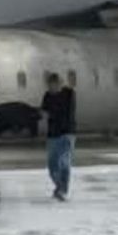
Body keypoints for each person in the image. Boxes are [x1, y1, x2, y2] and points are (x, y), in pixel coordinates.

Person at [41, 72, 76, 201]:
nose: (51, 88)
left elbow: (67, 112)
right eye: (49, 86)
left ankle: (62, 190)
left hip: (67, 133)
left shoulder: (69, 93)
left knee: (64, 162)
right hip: (52, 135)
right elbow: (44, 112)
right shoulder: (47, 95)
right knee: (52, 166)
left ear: (59, 84)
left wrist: (49, 113)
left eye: (53, 85)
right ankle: (59, 187)